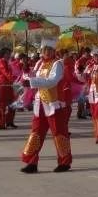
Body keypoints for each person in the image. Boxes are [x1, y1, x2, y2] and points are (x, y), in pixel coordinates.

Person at [20, 38, 72, 173]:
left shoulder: (57, 64)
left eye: (50, 50)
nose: (47, 52)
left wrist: (31, 81)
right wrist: (26, 71)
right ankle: (31, 162)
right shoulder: (39, 63)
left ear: (54, 51)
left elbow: (52, 81)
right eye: (44, 50)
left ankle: (64, 161)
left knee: (59, 133)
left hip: (54, 104)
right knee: (36, 132)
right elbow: (31, 78)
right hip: (40, 103)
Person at [0, 47, 18, 129]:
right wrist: (15, 80)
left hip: (9, 85)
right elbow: (6, 73)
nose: (9, 55)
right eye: (7, 53)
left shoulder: (7, 62)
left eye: (9, 53)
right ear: (3, 54)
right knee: (2, 105)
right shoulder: (1, 62)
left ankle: (9, 121)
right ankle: (0, 123)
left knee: (12, 104)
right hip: (3, 85)